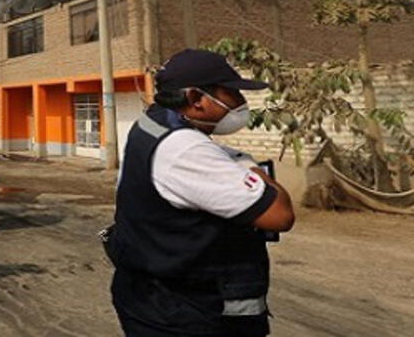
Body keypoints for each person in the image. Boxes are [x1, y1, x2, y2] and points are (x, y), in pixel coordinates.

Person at [106, 49, 296, 337]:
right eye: (232, 93)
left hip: (154, 297)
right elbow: (279, 215)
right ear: (196, 100)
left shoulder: (154, 122)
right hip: (184, 312)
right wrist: (251, 169)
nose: (241, 103)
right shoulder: (186, 150)